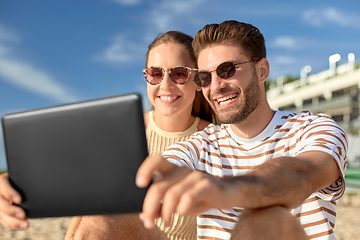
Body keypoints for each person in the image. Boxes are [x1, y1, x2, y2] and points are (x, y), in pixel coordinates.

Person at [135, 20, 348, 240]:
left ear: (262, 70)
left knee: (267, 219)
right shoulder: (201, 144)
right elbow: (172, 163)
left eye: (227, 70)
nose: (216, 86)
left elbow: (303, 173)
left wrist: (230, 189)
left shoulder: (314, 128)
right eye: (206, 77)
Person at [0, 31, 217, 240]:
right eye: (155, 74)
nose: (165, 85)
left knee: (105, 213)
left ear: (198, 80)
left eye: (179, 73)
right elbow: (67, 177)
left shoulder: (216, 140)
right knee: (96, 207)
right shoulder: (120, 131)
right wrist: (10, 184)